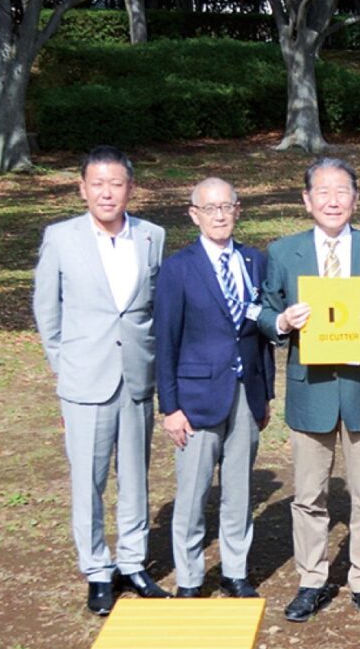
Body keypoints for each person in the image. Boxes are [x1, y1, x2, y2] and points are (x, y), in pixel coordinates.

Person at [258, 157, 360, 623]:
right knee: (308, 494)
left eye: (341, 191)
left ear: (356, 198)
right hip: (312, 389)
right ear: (306, 200)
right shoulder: (283, 253)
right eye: (322, 191)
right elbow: (263, 309)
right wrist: (281, 322)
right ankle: (311, 578)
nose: (332, 200)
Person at [33, 145, 169, 616]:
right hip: (84, 379)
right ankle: (96, 569)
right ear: (82, 188)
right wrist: (63, 363)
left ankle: (132, 561)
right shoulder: (61, 237)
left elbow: (153, 308)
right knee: (88, 481)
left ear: (130, 188)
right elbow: (46, 310)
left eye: (116, 183)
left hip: (135, 376)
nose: (107, 192)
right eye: (98, 183)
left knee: (134, 476)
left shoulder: (152, 235)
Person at [154, 177, 275, 599]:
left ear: (238, 210)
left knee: (239, 487)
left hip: (246, 391)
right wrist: (169, 406)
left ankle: (235, 570)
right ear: (194, 215)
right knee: (193, 492)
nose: (220, 215)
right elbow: (165, 340)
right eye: (210, 208)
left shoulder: (254, 260)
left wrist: (266, 394)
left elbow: (260, 332)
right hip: (196, 397)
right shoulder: (178, 267)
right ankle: (189, 577)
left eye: (227, 207)